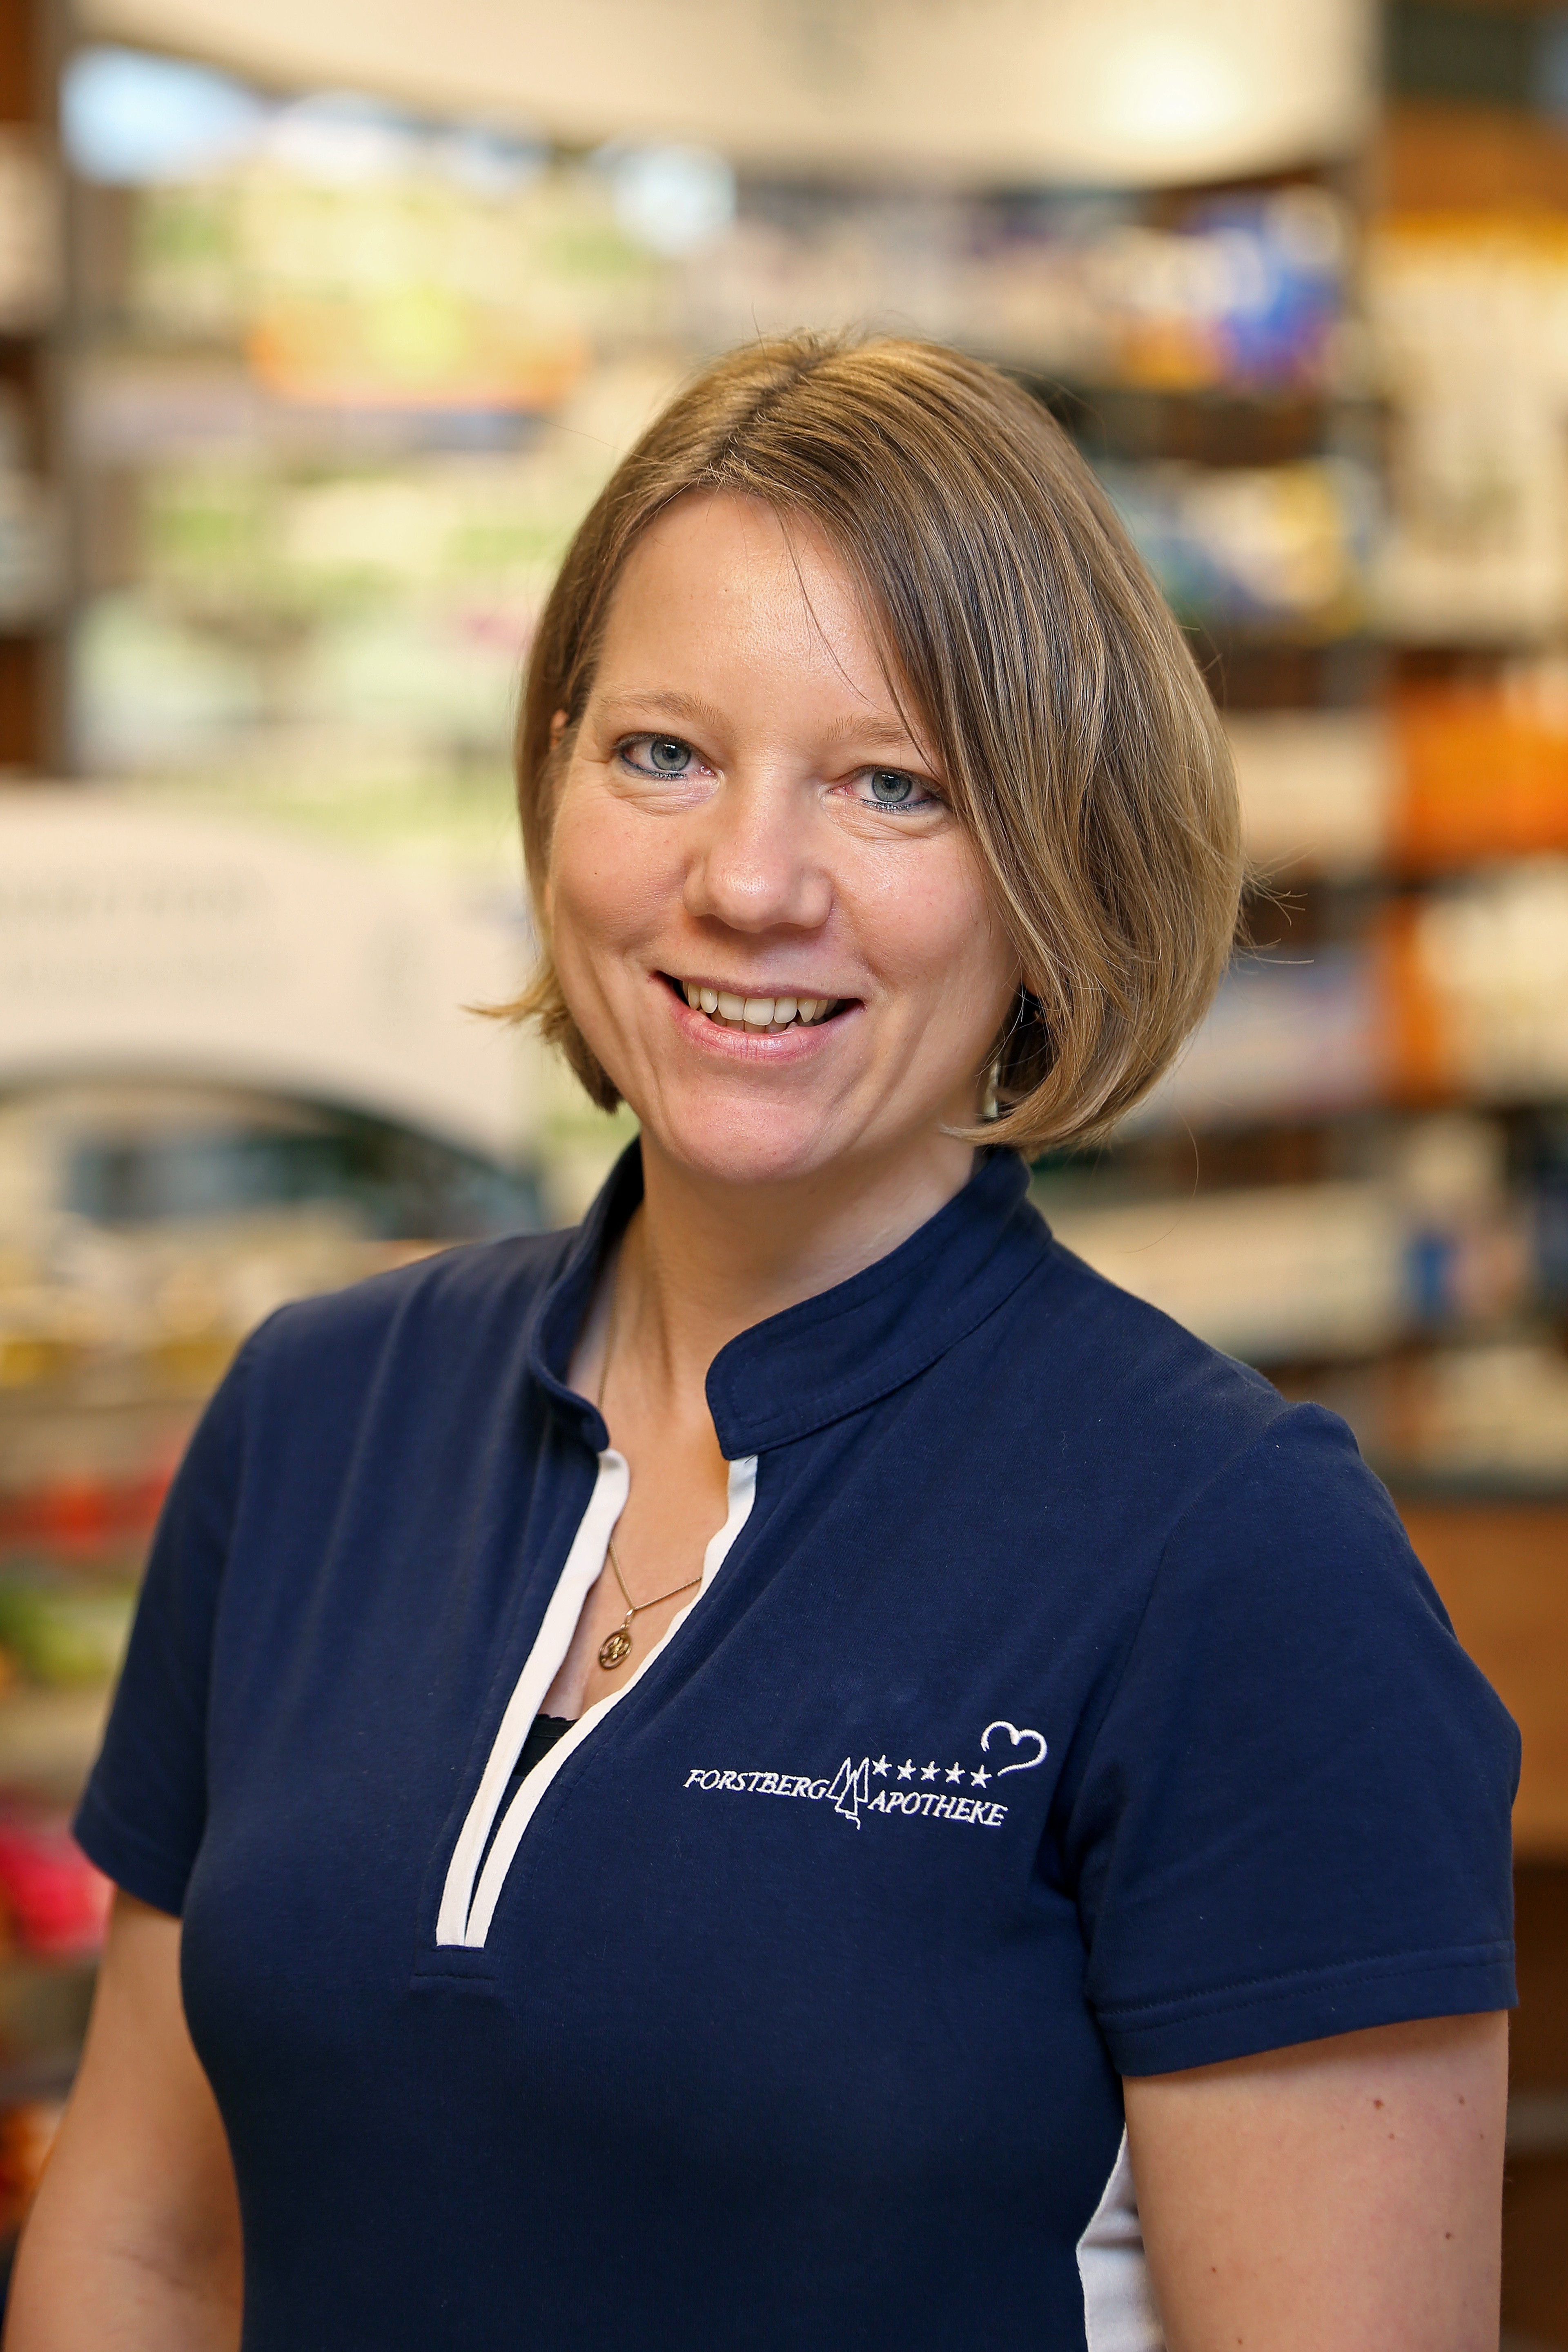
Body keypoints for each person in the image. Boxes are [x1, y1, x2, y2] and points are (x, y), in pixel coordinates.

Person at [9, 335, 1516, 2352]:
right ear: (552, 771)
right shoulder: (316, 1414)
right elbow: (145, 2254)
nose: (749, 882)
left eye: (894, 784)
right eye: (664, 754)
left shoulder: (1234, 1556)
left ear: (1056, 865)